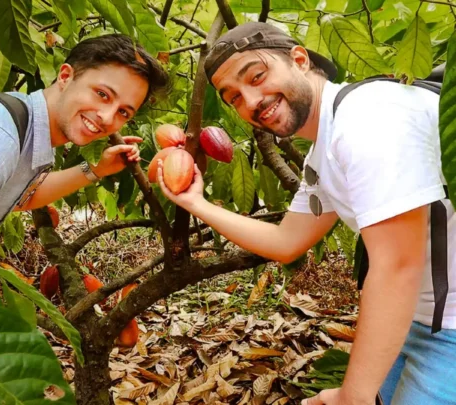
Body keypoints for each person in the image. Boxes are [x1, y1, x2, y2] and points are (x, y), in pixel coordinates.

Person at [157, 22, 456, 405]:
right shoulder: (325, 146)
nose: (250, 101)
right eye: (233, 97)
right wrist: (196, 203)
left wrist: (353, 396)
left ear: (299, 59)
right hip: (419, 317)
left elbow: (397, 265)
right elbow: (286, 242)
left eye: (257, 76)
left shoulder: (368, 120)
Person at [0, 33, 168, 286]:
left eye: (123, 111)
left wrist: (96, 169)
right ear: (66, 76)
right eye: (102, 94)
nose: (107, 116)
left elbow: (17, 196)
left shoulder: (24, 126)